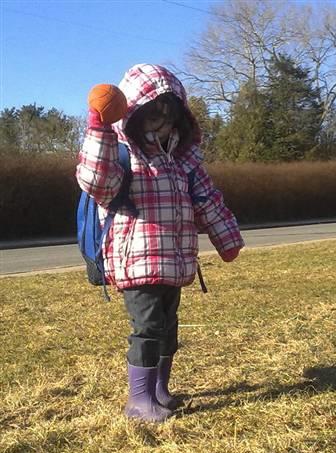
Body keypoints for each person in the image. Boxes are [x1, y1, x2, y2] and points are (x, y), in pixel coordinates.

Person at [76, 64, 243, 422]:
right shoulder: (123, 155)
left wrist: (227, 239)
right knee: (148, 330)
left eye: (169, 117)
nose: (161, 125)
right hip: (137, 262)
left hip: (175, 263)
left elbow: (208, 200)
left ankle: (159, 390)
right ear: (134, 114)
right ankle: (138, 400)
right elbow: (96, 180)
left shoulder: (183, 161)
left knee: (169, 329)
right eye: (152, 115)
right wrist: (100, 128)